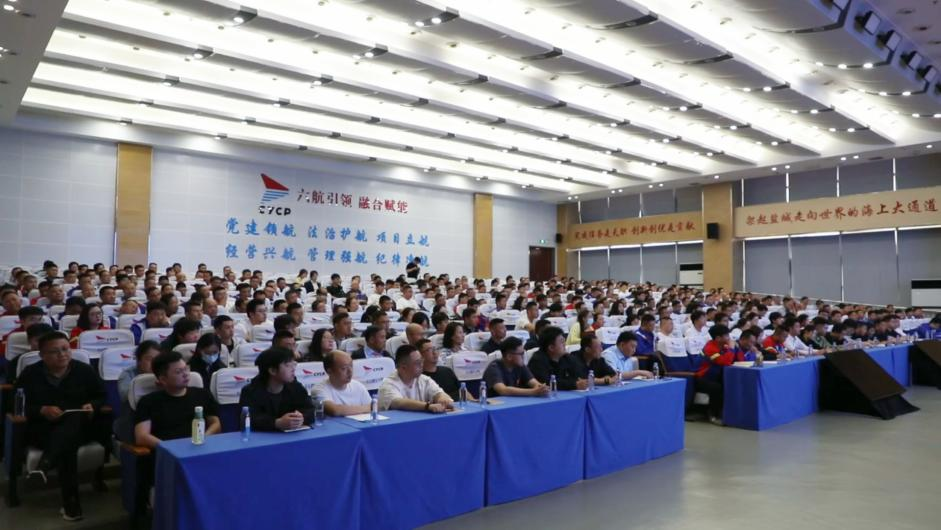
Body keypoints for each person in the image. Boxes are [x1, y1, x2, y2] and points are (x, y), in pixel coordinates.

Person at [15, 332, 107, 521]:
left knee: (73, 420)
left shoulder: (84, 370)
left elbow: (100, 395)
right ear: (42, 355)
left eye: (65, 349)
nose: (62, 354)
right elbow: (16, 405)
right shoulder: (30, 374)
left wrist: (93, 405)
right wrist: (41, 410)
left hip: (81, 428)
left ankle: (46, 465)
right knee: (67, 444)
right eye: (55, 351)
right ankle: (71, 503)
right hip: (43, 429)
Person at [133, 351, 221, 515]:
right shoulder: (149, 402)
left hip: (200, 451)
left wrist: (203, 438)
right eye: (178, 372)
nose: (186, 374)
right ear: (162, 379)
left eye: (186, 369)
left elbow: (215, 423)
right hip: (167, 456)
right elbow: (142, 436)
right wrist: (171, 449)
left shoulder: (202, 394)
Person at [238, 347, 314, 431]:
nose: (293, 368)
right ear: (272, 371)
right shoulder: (250, 391)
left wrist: (301, 418)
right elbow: (249, 419)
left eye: (293, 363)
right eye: (287, 365)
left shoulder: (296, 387)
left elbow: (310, 410)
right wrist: (277, 423)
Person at [378, 345, 454, 412]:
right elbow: (399, 403)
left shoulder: (424, 379)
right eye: (418, 362)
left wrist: (443, 399)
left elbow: (438, 393)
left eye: (422, 360)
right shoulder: (388, 385)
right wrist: (427, 406)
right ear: (403, 367)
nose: (421, 365)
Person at [482, 337, 550, 396]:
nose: (523, 356)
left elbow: (534, 382)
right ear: (509, 356)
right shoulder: (494, 368)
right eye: (521, 354)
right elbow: (503, 390)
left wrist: (541, 388)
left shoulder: (520, 365)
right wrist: (533, 392)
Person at [695, 325, 735, 425]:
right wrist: (731, 349)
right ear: (718, 338)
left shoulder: (723, 345)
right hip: (704, 377)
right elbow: (725, 361)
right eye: (726, 335)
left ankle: (728, 412)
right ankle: (713, 414)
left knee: (731, 383)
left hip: (716, 375)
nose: (729, 338)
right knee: (717, 388)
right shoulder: (710, 348)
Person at [313, 351, 372, 416]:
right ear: (329, 371)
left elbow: (373, 407)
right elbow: (335, 410)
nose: (350, 371)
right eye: (344, 368)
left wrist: (370, 407)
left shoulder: (358, 386)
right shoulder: (319, 390)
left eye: (351, 366)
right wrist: (367, 408)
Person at [528, 326, 588, 390]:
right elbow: (547, 383)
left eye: (564, 341)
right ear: (551, 347)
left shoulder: (567, 358)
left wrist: (580, 382)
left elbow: (581, 376)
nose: (565, 344)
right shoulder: (537, 361)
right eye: (562, 342)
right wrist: (574, 385)